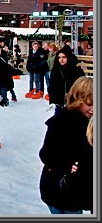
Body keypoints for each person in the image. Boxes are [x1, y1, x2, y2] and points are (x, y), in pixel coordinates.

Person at [39, 77, 93, 214]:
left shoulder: (92, 124)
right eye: (89, 104)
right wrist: (67, 166)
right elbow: (46, 154)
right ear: (77, 100)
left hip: (77, 191)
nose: (93, 109)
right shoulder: (62, 122)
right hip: (59, 188)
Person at [48, 45, 85, 115]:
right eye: (59, 57)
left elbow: (83, 87)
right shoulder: (56, 71)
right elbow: (52, 87)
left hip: (74, 103)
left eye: (64, 57)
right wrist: (52, 101)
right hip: (60, 103)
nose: (61, 59)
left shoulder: (77, 71)